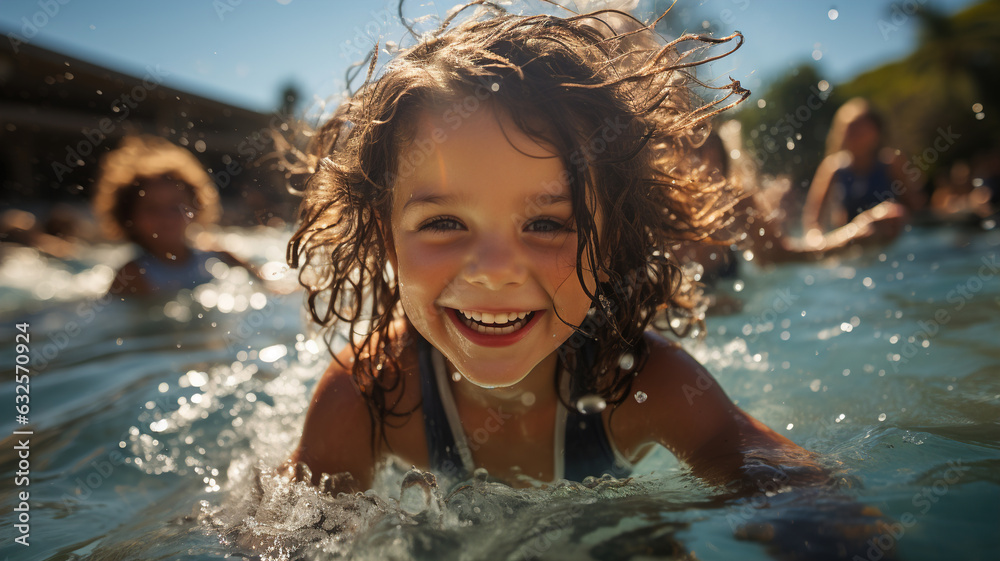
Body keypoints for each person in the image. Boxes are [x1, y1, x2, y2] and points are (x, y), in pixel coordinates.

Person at [282, 5, 830, 495]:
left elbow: (801, 495)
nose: (495, 271)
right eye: (444, 223)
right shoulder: (369, 395)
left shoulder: (646, 386)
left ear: (609, 243)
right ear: (387, 240)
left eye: (546, 224)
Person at [92, 135, 262, 297]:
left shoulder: (219, 256)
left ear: (195, 207)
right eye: (152, 209)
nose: (166, 218)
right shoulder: (130, 277)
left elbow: (268, 285)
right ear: (129, 217)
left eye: (175, 207)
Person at [802, 98, 921, 238]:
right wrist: (816, 239)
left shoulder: (891, 162)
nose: (854, 135)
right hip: (849, 239)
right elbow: (813, 219)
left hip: (891, 238)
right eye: (849, 129)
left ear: (876, 132)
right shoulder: (832, 167)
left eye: (860, 129)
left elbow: (913, 208)